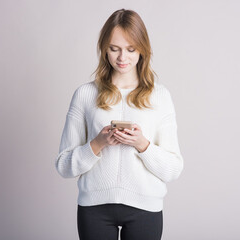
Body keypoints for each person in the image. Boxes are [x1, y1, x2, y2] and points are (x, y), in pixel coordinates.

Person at [55, 8, 184, 240]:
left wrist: (142, 144)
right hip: (94, 208)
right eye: (114, 49)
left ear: (143, 49)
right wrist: (97, 143)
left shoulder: (160, 96)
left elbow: (174, 168)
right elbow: (64, 165)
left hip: (145, 208)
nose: (122, 58)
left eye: (130, 49)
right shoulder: (85, 94)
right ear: (104, 49)